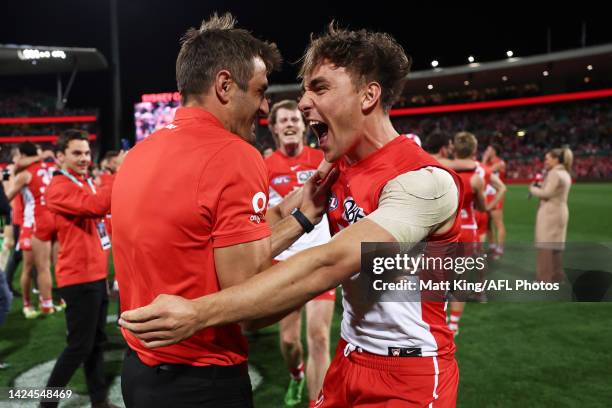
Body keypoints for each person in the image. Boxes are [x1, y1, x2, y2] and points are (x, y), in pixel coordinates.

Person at [120, 23, 464, 407]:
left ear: (369, 95)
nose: (300, 104)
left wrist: (198, 312)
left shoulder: (423, 181)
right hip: (349, 358)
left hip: (409, 375)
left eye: (319, 88)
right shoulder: (337, 172)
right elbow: (243, 238)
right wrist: (299, 217)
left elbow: (330, 263)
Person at [112, 13, 333, 408]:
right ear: (225, 85)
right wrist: (333, 266)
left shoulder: (136, 156)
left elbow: (209, 253)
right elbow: (246, 302)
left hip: (140, 376)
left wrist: (300, 219)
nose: (264, 107)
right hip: (202, 380)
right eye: (261, 91)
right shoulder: (233, 155)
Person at [42, 129, 118, 408]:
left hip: (95, 274)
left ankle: (99, 400)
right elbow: (96, 206)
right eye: (77, 153)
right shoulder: (59, 187)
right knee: (79, 347)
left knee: (96, 343)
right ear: (60, 156)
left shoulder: (82, 181)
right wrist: (120, 175)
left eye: (87, 152)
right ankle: (46, 404)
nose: (85, 158)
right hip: (77, 277)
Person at [266, 99, 333, 407]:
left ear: (304, 125)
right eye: (284, 120)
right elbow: (269, 217)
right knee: (289, 340)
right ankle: (296, 374)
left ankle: (319, 402)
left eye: (295, 118)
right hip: (283, 262)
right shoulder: (262, 168)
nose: (290, 123)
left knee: (318, 337)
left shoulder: (323, 158)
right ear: (274, 128)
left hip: (320, 260)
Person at [5, 142, 57, 317]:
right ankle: (40, 302)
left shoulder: (24, 173)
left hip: (32, 222)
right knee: (42, 266)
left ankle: (36, 303)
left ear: (23, 155)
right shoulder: (48, 168)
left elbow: (6, 197)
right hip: (47, 220)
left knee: (33, 267)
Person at [529, 147, 573, 283]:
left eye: (547, 159)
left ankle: (544, 279)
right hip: (560, 211)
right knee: (556, 247)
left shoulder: (554, 173)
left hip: (550, 212)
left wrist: (533, 189)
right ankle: (558, 276)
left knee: (545, 246)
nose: (545, 161)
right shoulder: (565, 172)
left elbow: (547, 194)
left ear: (555, 159)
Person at [483, 143, 506, 259]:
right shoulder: (486, 163)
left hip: (496, 196)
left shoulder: (499, 163)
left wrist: (483, 160)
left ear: (494, 151)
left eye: (489, 149)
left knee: (498, 223)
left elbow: (484, 171)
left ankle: (500, 248)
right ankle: (492, 246)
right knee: (487, 224)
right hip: (486, 196)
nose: (486, 151)